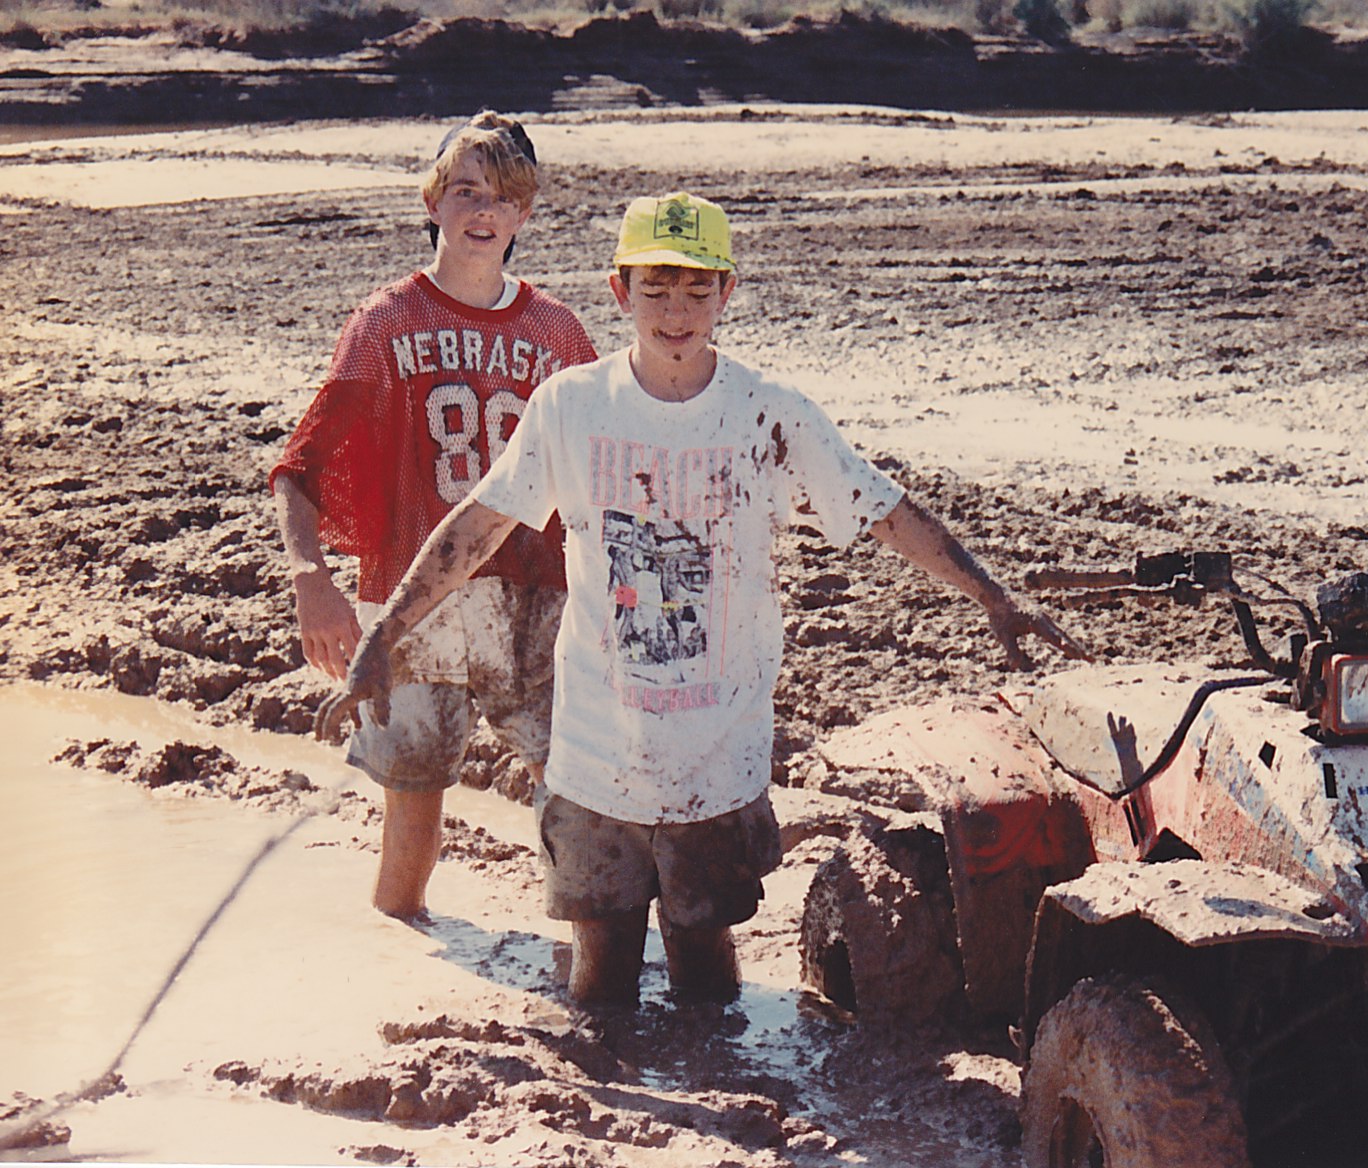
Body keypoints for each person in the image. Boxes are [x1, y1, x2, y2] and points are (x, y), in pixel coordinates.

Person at [314, 191, 1083, 1002]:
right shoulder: (572, 408)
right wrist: (385, 634)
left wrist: (991, 594)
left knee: (706, 969)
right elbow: (478, 527)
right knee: (599, 974)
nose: (676, 312)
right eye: (656, 289)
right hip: (595, 750)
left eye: (695, 290)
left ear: (728, 293)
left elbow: (881, 507)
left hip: (717, 749)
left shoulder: (768, 414)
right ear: (620, 293)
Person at [271, 111, 598, 920]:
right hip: (413, 599)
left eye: (502, 197)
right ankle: (397, 952)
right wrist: (310, 576)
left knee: (577, 785)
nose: (482, 211)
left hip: (532, 596)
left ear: (524, 216)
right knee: (414, 795)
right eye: (465, 192)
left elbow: (607, 464)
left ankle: (590, 968)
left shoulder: (557, 332)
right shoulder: (385, 323)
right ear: (433, 203)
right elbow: (300, 465)